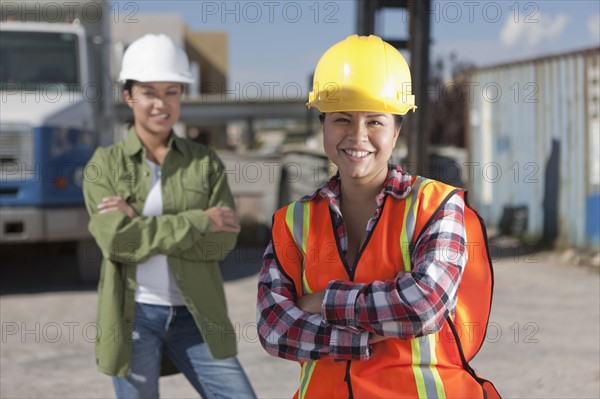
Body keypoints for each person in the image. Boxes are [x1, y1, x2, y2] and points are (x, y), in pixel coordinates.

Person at [256, 35, 501, 398]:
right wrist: (364, 337)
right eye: (342, 119)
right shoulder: (292, 222)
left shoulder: (436, 205)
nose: (358, 136)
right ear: (322, 124)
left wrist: (321, 301)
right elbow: (273, 328)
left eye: (375, 121)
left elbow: (422, 305)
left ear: (397, 129)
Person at [83, 34, 256, 399]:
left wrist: (141, 225)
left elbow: (222, 242)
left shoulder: (204, 162)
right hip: (135, 316)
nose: (161, 104)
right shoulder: (105, 165)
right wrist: (199, 221)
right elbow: (117, 242)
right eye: (149, 92)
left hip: (196, 316)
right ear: (129, 95)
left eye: (172, 91)